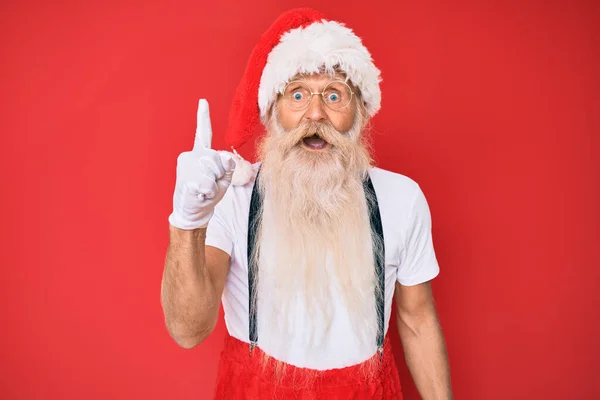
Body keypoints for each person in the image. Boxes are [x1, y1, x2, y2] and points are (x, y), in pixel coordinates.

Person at [161, 7, 452, 399]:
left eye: (334, 94)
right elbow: (188, 330)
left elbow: (417, 319)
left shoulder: (402, 199)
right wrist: (189, 222)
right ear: (273, 111)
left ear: (361, 112)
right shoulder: (232, 197)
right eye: (297, 94)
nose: (315, 113)